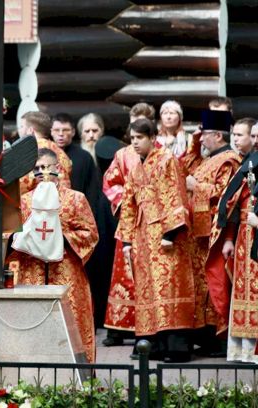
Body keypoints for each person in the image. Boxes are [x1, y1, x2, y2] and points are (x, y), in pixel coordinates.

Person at [6, 148, 98, 362]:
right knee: (31, 323)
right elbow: (8, 234)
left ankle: (77, 373)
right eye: (37, 168)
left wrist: (59, 238)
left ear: (58, 168)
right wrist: (22, 239)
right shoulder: (23, 201)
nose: (42, 172)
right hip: (31, 272)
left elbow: (90, 234)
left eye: (47, 167)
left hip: (66, 271)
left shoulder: (75, 199)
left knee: (71, 322)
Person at [117, 118, 195, 362]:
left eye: (140, 138)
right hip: (142, 237)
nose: (135, 143)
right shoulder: (135, 168)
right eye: (132, 138)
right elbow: (128, 205)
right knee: (148, 290)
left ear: (152, 138)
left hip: (165, 235)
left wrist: (170, 233)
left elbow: (175, 195)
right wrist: (127, 241)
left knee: (169, 287)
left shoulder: (167, 160)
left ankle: (176, 348)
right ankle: (154, 345)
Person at [184, 110, 241, 356]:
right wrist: (194, 144)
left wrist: (196, 186)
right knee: (202, 287)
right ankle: (205, 337)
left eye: (205, 134)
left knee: (215, 284)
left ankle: (219, 338)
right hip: (199, 234)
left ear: (218, 135)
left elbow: (227, 195)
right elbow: (184, 167)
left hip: (216, 232)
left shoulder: (229, 160)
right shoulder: (209, 158)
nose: (202, 138)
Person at [102, 104, 156, 346]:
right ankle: (118, 328)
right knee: (124, 275)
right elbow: (110, 182)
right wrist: (127, 200)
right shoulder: (122, 155)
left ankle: (148, 329)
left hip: (152, 222)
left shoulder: (161, 154)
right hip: (129, 221)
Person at [215, 150, 258, 362]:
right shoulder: (246, 169)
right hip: (243, 238)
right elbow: (232, 207)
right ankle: (242, 351)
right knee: (242, 291)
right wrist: (229, 238)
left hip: (255, 233)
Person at [18, 111, 72, 193]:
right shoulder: (60, 151)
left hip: (37, 198)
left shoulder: (29, 152)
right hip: (63, 197)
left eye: (21, 126)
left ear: (30, 130)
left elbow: (22, 183)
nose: (19, 130)